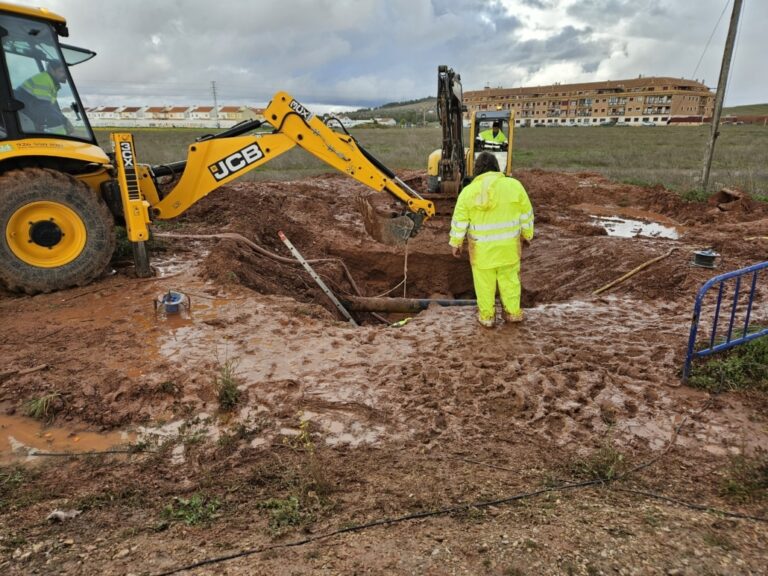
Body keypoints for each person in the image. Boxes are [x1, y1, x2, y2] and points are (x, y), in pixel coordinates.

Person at [449, 151, 534, 328]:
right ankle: (513, 313)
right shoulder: (515, 186)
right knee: (510, 282)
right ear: (497, 167)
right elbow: (527, 214)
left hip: (482, 252)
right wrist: (527, 235)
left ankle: (487, 317)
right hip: (508, 249)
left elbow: (459, 221)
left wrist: (456, 243)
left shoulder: (468, 192)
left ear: (477, 170)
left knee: (484, 285)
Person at [16, 61, 73, 134]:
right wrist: (65, 121)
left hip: (27, 117)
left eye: (66, 72)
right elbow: (46, 109)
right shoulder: (44, 80)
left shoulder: (52, 83)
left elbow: (48, 107)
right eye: (62, 71)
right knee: (55, 120)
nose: (66, 75)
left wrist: (64, 120)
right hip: (22, 119)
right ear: (52, 70)